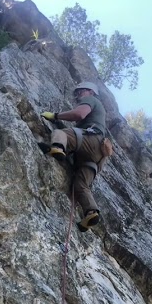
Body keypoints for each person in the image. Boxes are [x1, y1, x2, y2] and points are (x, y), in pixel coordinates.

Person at [40, 82, 112, 231]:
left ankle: (58, 148)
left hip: (91, 140)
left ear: (89, 91)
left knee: (61, 134)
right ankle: (91, 213)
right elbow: (78, 133)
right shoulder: (98, 116)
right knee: (80, 185)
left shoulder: (92, 100)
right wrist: (59, 121)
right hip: (98, 158)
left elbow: (79, 114)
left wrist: (55, 115)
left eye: (80, 92)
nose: (78, 96)